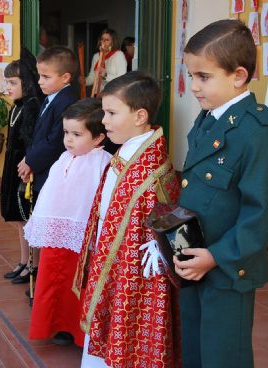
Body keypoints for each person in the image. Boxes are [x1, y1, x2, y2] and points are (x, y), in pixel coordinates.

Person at [176, 19, 268, 368]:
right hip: (197, 259)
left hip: (228, 268)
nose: (193, 86)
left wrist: (217, 257)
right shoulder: (209, 117)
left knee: (224, 355)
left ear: (238, 76)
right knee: (195, 347)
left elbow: (263, 211)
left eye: (203, 77)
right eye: (191, 75)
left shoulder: (256, 131)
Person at [74, 71, 181, 367]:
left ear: (140, 116)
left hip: (137, 271)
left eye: (111, 113)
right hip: (114, 260)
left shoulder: (150, 167)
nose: (104, 121)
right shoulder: (130, 151)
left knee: (131, 340)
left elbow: (166, 211)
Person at [25, 98, 111, 347]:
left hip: (82, 238)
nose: (69, 139)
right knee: (53, 279)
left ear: (97, 138)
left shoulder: (101, 162)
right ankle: (55, 325)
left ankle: (78, 331)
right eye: (66, 133)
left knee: (79, 284)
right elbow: (51, 194)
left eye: (76, 134)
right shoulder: (63, 158)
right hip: (56, 235)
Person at [16, 46, 79, 282]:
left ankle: (44, 275)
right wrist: (28, 159)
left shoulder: (67, 101)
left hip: (52, 170)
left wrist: (32, 161)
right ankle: (37, 272)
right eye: (39, 75)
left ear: (65, 78)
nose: (40, 81)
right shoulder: (50, 98)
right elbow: (38, 135)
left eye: (46, 77)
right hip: (41, 169)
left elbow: (55, 141)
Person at [0, 49, 44, 282]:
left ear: (26, 83)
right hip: (12, 165)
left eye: (13, 82)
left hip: (23, 168)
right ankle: (22, 260)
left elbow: (31, 142)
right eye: (7, 81)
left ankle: (32, 264)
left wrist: (28, 168)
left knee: (27, 218)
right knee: (18, 221)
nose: (8, 86)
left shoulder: (31, 106)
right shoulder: (16, 106)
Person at [84, 29, 127, 94]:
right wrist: (85, 81)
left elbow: (122, 79)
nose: (103, 42)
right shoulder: (96, 56)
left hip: (112, 94)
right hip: (98, 94)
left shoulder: (119, 55)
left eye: (107, 40)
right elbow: (93, 76)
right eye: (102, 39)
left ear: (113, 42)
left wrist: (106, 75)